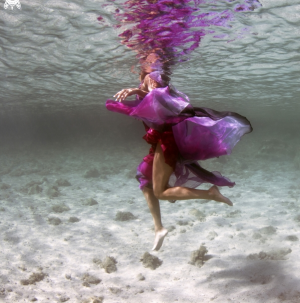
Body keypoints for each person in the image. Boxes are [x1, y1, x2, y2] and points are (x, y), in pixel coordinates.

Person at [107, 63, 251, 251]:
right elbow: (152, 104)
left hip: (166, 142)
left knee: (160, 192)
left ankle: (210, 194)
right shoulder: (148, 83)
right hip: (159, 143)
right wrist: (137, 94)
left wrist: (138, 91)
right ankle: (159, 228)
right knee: (144, 178)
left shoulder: (152, 77)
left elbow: (162, 103)